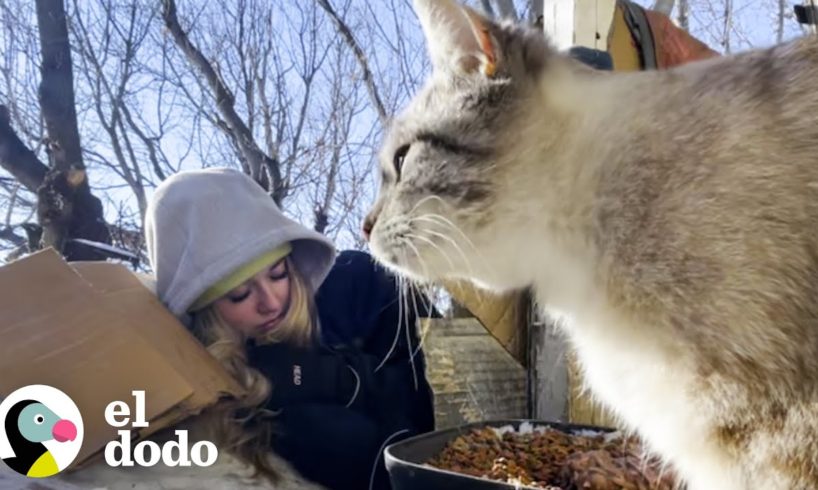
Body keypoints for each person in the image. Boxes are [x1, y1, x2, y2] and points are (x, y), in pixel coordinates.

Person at [144, 167, 436, 490]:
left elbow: (451, 383)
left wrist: (342, 376)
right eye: (240, 294)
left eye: (278, 273)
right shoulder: (213, 385)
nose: (270, 302)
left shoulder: (359, 286)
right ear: (206, 311)